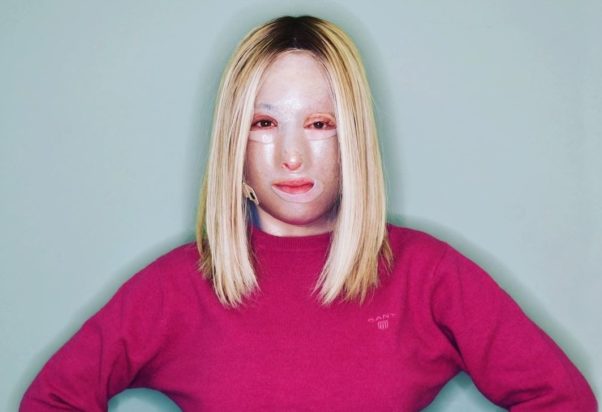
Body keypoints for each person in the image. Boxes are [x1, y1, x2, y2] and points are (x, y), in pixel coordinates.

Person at [20, 15, 596, 411]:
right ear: (234, 143)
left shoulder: (428, 275)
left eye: (320, 123)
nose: (291, 154)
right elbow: (52, 400)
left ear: (353, 139)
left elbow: (563, 400)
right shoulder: (175, 287)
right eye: (264, 123)